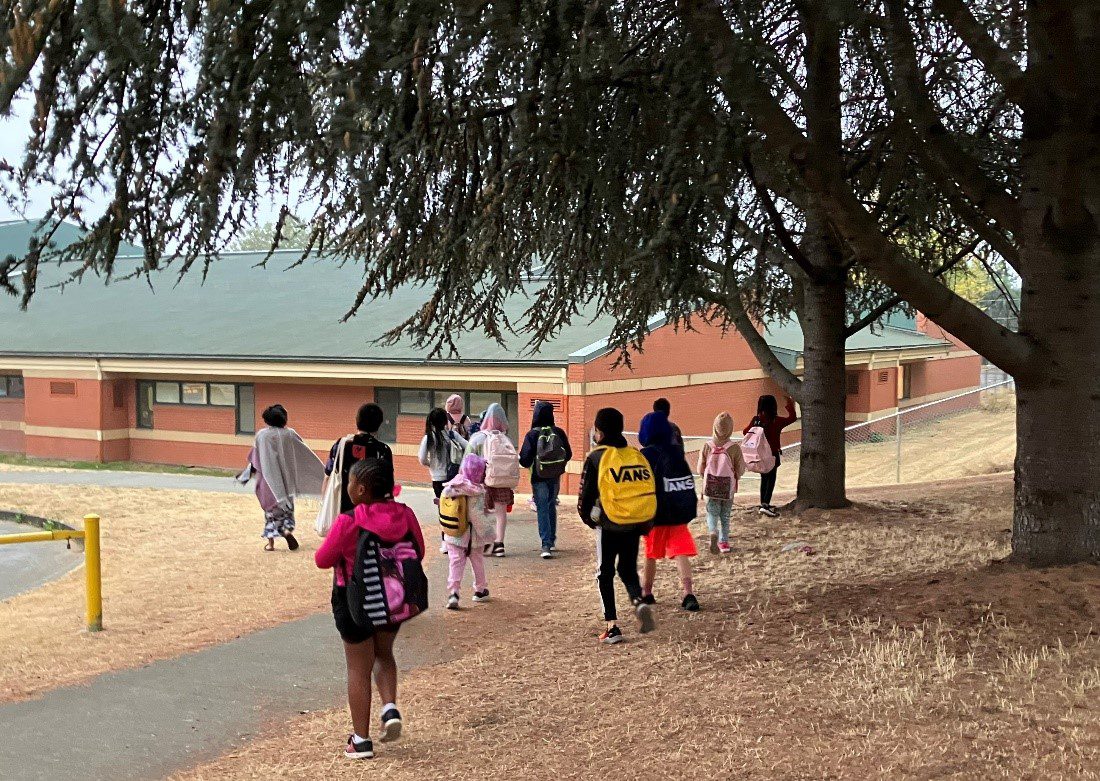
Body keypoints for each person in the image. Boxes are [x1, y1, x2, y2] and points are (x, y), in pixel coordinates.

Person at [314, 457, 425, 761]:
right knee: (385, 655)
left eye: (349, 481)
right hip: (395, 598)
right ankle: (389, 707)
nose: (347, 487)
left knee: (358, 669)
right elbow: (420, 550)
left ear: (361, 489)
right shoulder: (405, 514)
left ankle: (361, 741)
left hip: (355, 601)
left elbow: (323, 559)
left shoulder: (350, 520)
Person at [578, 407, 657, 645]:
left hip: (609, 523)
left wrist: (590, 520)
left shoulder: (596, 457)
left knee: (605, 572)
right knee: (627, 570)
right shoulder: (634, 454)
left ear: (599, 431)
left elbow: (585, 496)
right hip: (634, 520)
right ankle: (639, 603)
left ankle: (612, 626)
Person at [239, 404, 325, 552]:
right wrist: (322, 473)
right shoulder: (290, 434)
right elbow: (303, 453)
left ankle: (271, 543)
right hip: (287, 482)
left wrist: (245, 475)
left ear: (266, 419)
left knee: (270, 513)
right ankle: (287, 530)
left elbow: (255, 458)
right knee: (286, 510)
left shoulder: (262, 436)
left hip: (268, 480)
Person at [637, 412, 700, 611]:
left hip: (655, 515)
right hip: (678, 514)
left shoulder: (645, 455)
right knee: (681, 553)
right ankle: (688, 593)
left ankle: (647, 593)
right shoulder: (676, 453)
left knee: (650, 554)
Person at [518, 400, 573, 559]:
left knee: (541, 507)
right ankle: (552, 540)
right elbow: (568, 454)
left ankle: (545, 544)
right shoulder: (559, 432)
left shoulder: (533, 434)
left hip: (538, 476)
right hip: (555, 475)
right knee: (551, 504)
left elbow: (525, 459)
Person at [440, 453, 492, 609]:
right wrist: (489, 532)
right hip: (472, 537)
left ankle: (453, 593)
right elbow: (476, 516)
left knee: (455, 562)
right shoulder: (476, 492)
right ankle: (480, 590)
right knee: (477, 561)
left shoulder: (452, 487)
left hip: (452, 534)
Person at [324, 403, 394, 514]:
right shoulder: (383, 450)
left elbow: (328, 477)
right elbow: (388, 488)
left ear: (357, 420)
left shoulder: (341, 445)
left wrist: (324, 505)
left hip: (342, 512)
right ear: (379, 424)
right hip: (371, 515)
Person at [465, 403, 515, 557]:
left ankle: (486, 543)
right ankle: (499, 544)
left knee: (482, 511)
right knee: (501, 512)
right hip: (501, 480)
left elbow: (467, 458)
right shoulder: (505, 439)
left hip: (482, 480)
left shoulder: (477, 437)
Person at [697, 412, 747, 553]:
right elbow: (740, 469)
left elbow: (700, 468)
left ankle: (713, 531)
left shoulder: (706, 446)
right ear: (730, 428)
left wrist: (706, 477)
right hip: (727, 489)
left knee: (712, 514)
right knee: (725, 516)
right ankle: (724, 543)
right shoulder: (735, 448)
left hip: (711, 487)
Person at [744, 395, 797, 517]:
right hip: (773, 455)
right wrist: (790, 404)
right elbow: (792, 418)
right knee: (771, 479)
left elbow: (745, 432)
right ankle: (766, 505)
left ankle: (763, 502)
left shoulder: (756, 420)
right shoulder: (776, 420)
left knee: (764, 479)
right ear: (773, 406)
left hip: (760, 455)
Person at [418, 407, 467, 499]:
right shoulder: (452, 435)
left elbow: (422, 459)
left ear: (431, 422)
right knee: (454, 508)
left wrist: (431, 464)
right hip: (454, 476)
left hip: (437, 478)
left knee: (443, 507)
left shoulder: (429, 438)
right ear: (445, 421)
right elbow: (468, 447)